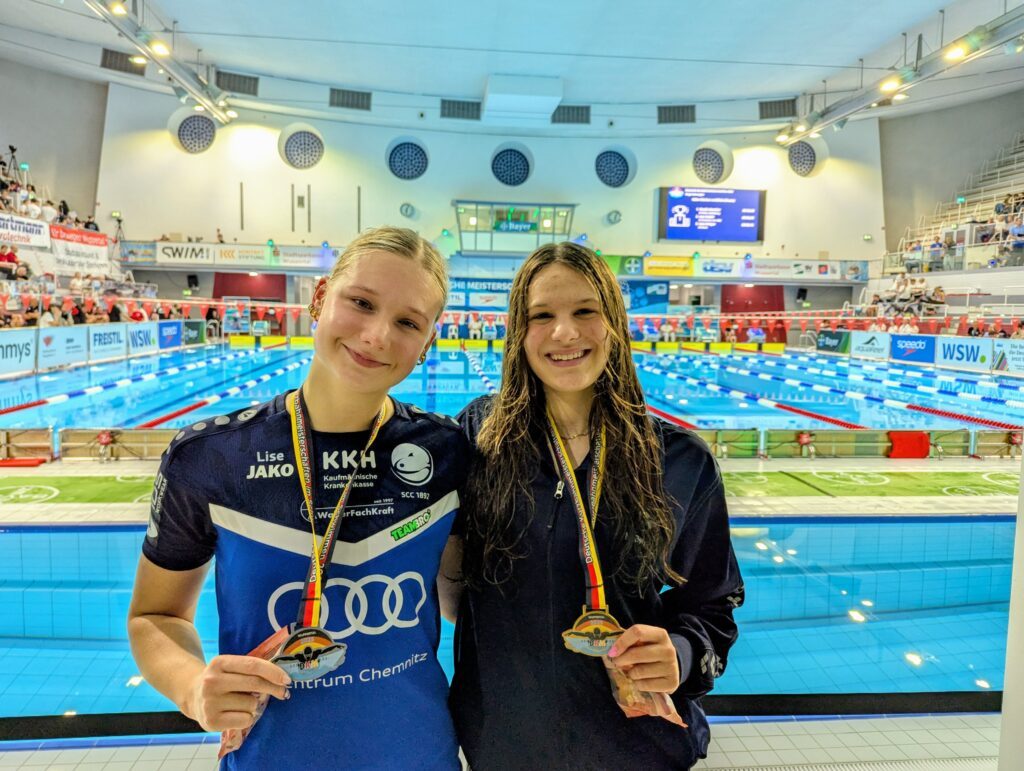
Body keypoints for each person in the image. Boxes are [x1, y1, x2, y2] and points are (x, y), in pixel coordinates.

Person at [127, 226, 467, 770]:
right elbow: (154, 614)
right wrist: (192, 688)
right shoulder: (211, 456)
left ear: (428, 342)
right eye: (361, 303)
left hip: (418, 754)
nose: (377, 335)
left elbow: (463, 603)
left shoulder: (447, 453)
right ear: (319, 299)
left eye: (407, 322)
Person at [443, 242, 744, 770]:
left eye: (585, 311)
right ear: (519, 331)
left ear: (614, 324)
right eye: (542, 316)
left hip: (636, 747)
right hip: (506, 746)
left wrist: (682, 651)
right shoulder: (477, 438)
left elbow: (714, 604)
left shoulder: (678, 461)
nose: (565, 333)